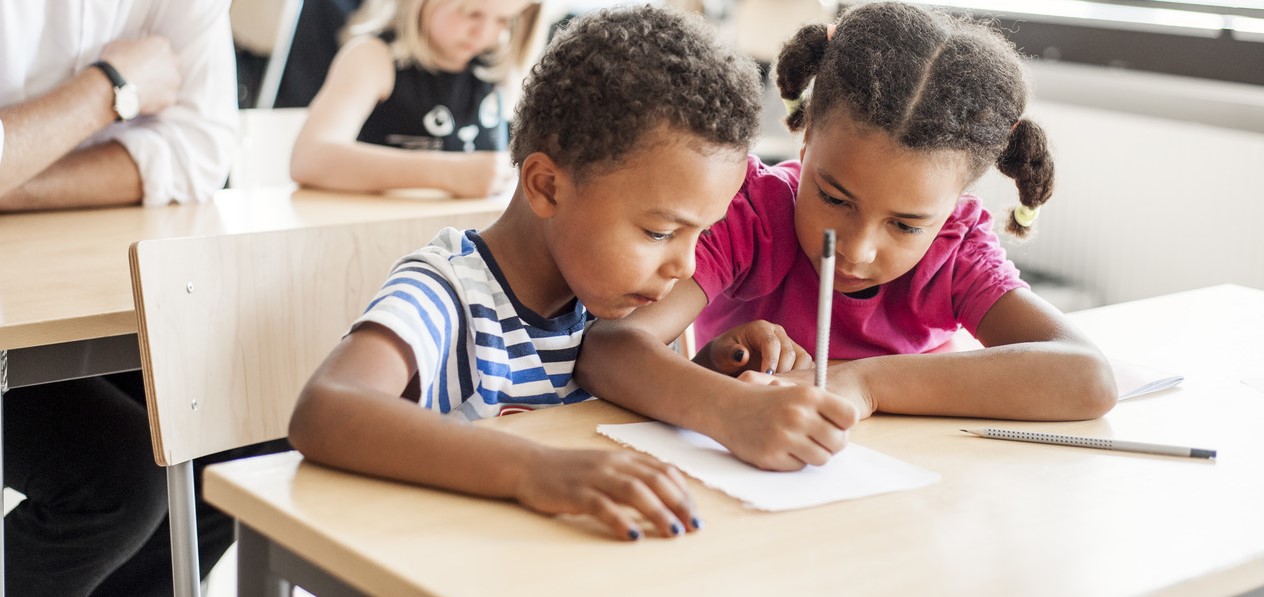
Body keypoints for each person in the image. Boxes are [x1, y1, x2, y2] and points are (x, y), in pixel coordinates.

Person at [575, 1, 1118, 472]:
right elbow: (609, 349)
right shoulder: (755, 216)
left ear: (954, 205)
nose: (857, 249)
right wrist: (730, 409)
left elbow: (1087, 377)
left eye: (906, 225)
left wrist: (863, 384)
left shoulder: (955, 250)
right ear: (805, 140)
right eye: (834, 199)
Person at [288, 4, 765, 541]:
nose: (686, 265)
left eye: (700, 233)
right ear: (546, 187)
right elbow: (325, 409)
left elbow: (601, 428)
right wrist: (532, 469)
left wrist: (706, 368)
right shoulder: (449, 292)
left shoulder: (613, 297)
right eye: (658, 232)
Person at [0, 2, 281, 595]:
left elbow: (201, 153)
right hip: (14, 324)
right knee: (118, 484)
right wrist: (108, 89)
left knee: (251, 423)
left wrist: (14, 168)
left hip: (98, 294)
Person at [289, 0, 542, 197]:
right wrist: (449, 173)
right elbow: (309, 159)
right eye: (471, 13)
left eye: (503, 20)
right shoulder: (373, 59)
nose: (484, 33)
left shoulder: (495, 66)